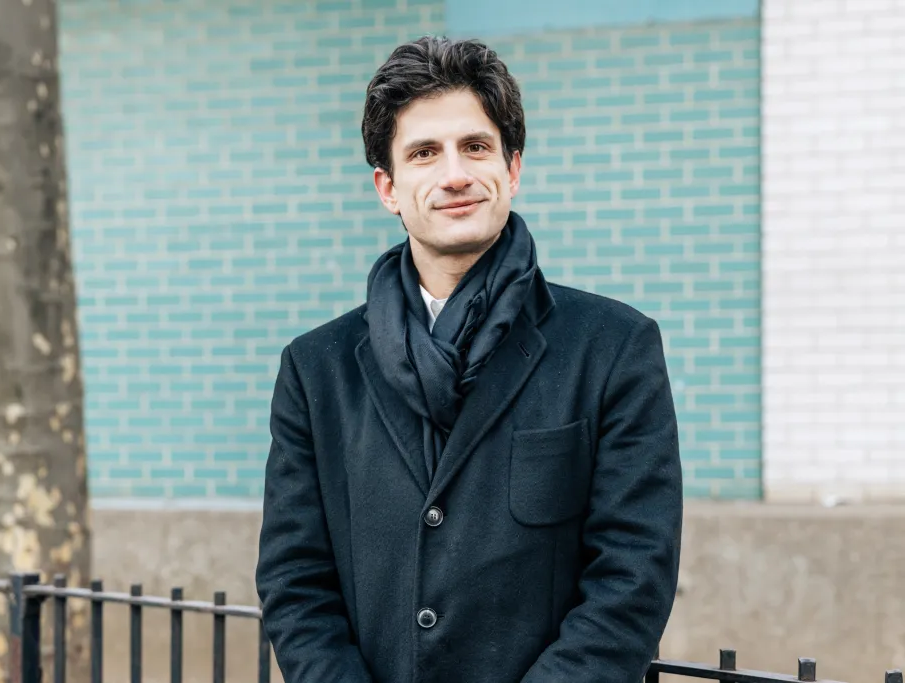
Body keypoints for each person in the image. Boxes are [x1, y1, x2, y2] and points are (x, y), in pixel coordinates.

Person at [255, 35, 683, 683]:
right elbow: (296, 582)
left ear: (512, 169)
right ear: (388, 188)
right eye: (424, 153)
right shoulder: (316, 371)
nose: (454, 173)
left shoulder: (615, 348)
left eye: (475, 147)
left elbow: (632, 575)